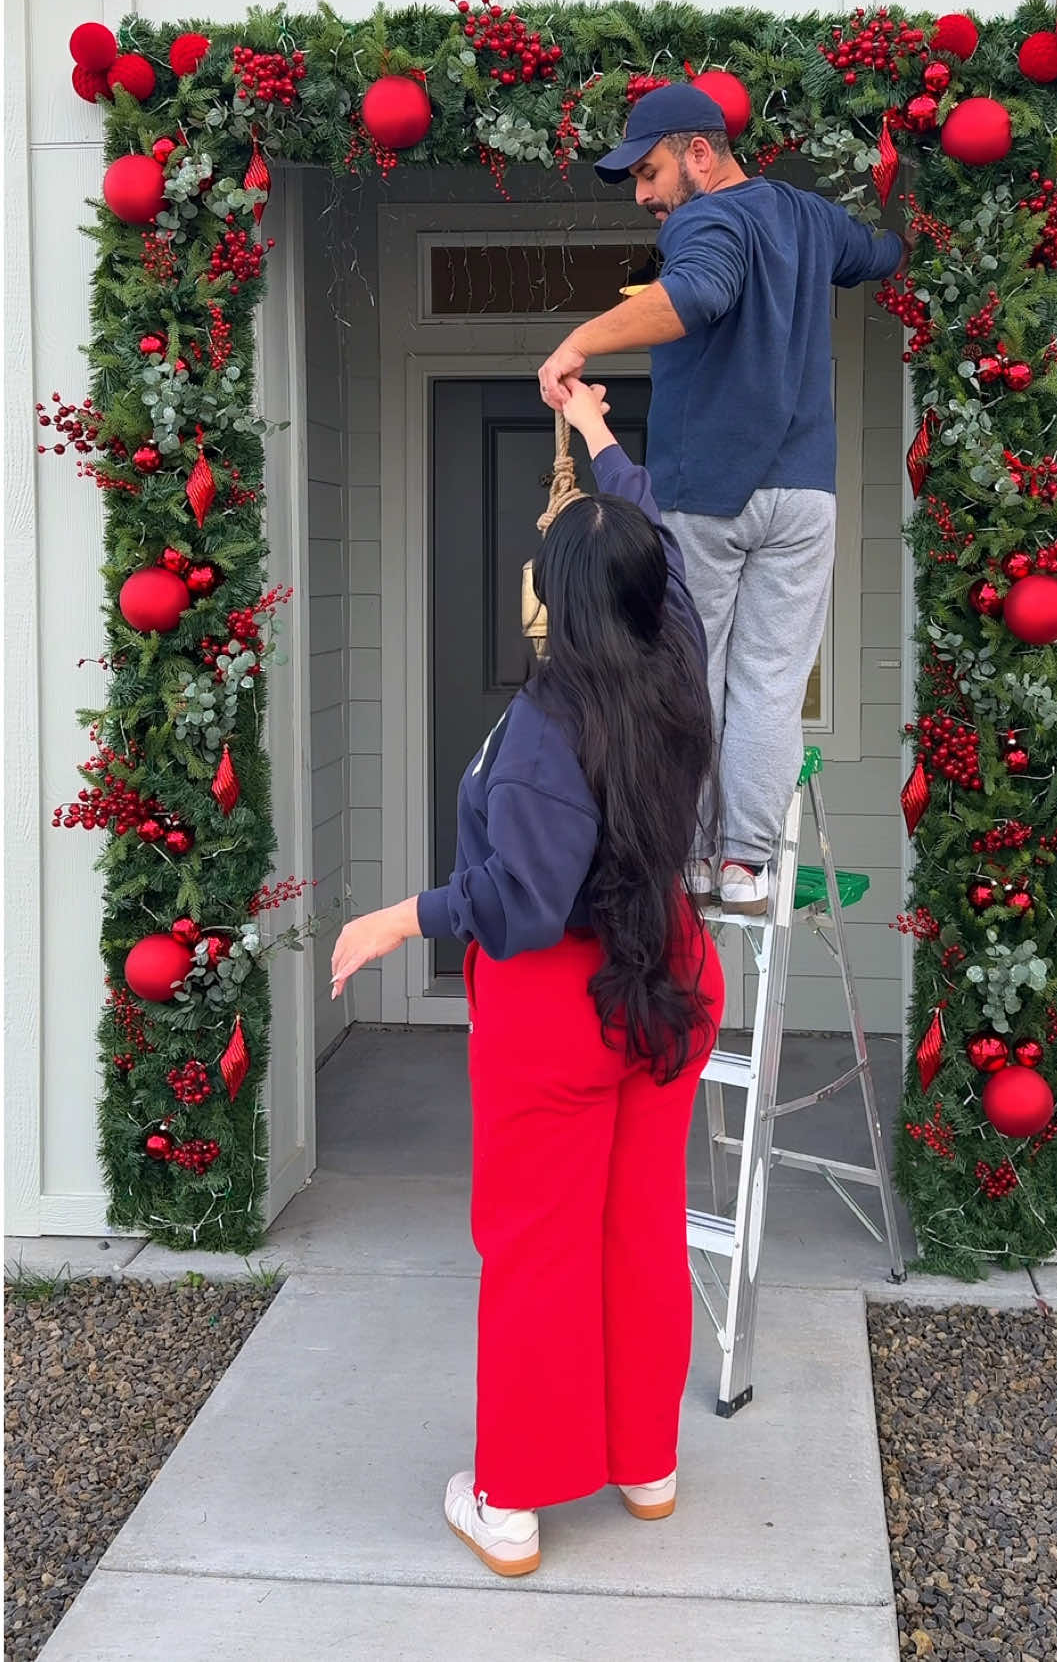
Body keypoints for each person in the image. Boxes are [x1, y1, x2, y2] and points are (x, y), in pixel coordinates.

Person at [329, 379, 724, 1578]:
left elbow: (520, 904)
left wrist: (401, 916)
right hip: (668, 979)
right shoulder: (678, 655)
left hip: (563, 1004)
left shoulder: (551, 730)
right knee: (640, 1226)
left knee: (539, 1243)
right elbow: (651, 539)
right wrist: (600, 430)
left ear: (556, 602)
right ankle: (644, 1467)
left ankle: (512, 1501)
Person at [538, 83, 909, 914]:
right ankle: (746, 863)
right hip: (803, 493)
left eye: (650, 171)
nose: (644, 196)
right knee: (771, 684)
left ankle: (694, 861)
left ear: (700, 153)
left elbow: (695, 295)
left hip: (708, 492)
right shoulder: (806, 220)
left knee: (688, 677)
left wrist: (577, 340)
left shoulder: (706, 220)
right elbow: (880, 255)